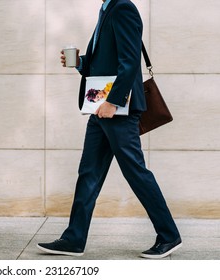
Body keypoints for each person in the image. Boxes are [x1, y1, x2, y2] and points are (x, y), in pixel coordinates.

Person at [37, 0, 182, 259]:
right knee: (89, 172)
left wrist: (114, 101)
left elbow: (129, 61)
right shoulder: (106, 9)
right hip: (100, 108)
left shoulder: (123, 8)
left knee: (136, 172)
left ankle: (169, 235)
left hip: (117, 110)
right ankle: (74, 238)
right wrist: (81, 62)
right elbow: (108, 59)